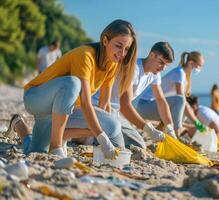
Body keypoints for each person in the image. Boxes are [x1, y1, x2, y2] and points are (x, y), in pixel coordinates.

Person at [4, 19, 137, 159]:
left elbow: (104, 105)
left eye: (127, 49)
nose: (122, 53)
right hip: (37, 98)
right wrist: (102, 137)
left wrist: (107, 137)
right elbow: (86, 103)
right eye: (118, 46)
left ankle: (19, 124)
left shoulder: (113, 64)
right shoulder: (85, 55)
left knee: (112, 124)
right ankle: (56, 147)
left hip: (63, 111)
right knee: (72, 83)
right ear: (105, 41)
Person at [92, 42, 176, 149]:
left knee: (138, 144)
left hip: (115, 112)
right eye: (161, 62)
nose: (163, 68)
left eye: (166, 65)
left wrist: (170, 127)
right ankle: (91, 134)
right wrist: (148, 129)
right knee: (125, 144)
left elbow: (160, 100)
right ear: (151, 55)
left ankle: (97, 134)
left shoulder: (155, 74)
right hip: (99, 107)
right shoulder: (134, 69)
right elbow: (125, 105)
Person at [137, 51, 207, 138]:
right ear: (191, 63)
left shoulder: (184, 77)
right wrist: (197, 123)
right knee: (180, 100)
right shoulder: (179, 73)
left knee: (184, 110)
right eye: (199, 66)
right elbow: (181, 100)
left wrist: (197, 123)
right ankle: (177, 134)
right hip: (145, 106)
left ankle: (162, 133)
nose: (199, 69)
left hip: (156, 106)